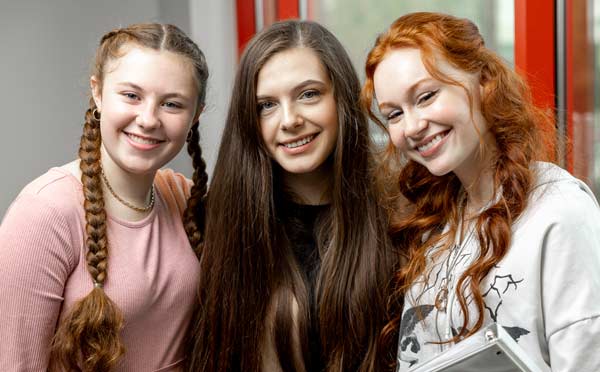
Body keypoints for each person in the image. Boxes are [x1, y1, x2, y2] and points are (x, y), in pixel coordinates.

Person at [361, 12, 600, 372]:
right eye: (394, 114)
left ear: (483, 81)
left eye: (426, 96)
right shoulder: (434, 225)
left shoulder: (559, 211)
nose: (412, 126)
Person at [186, 19, 395, 372]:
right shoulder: (219, 223)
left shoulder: (398, 213)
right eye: (266, 105)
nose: (290, 120)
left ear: (340, 97)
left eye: (308, 94)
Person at [0, 23, 209, 371]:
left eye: (172, 104)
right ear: (97, 93)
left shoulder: (184, 197)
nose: (148, 119)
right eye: (131, 95)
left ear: (195, 115)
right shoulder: (44, 212)